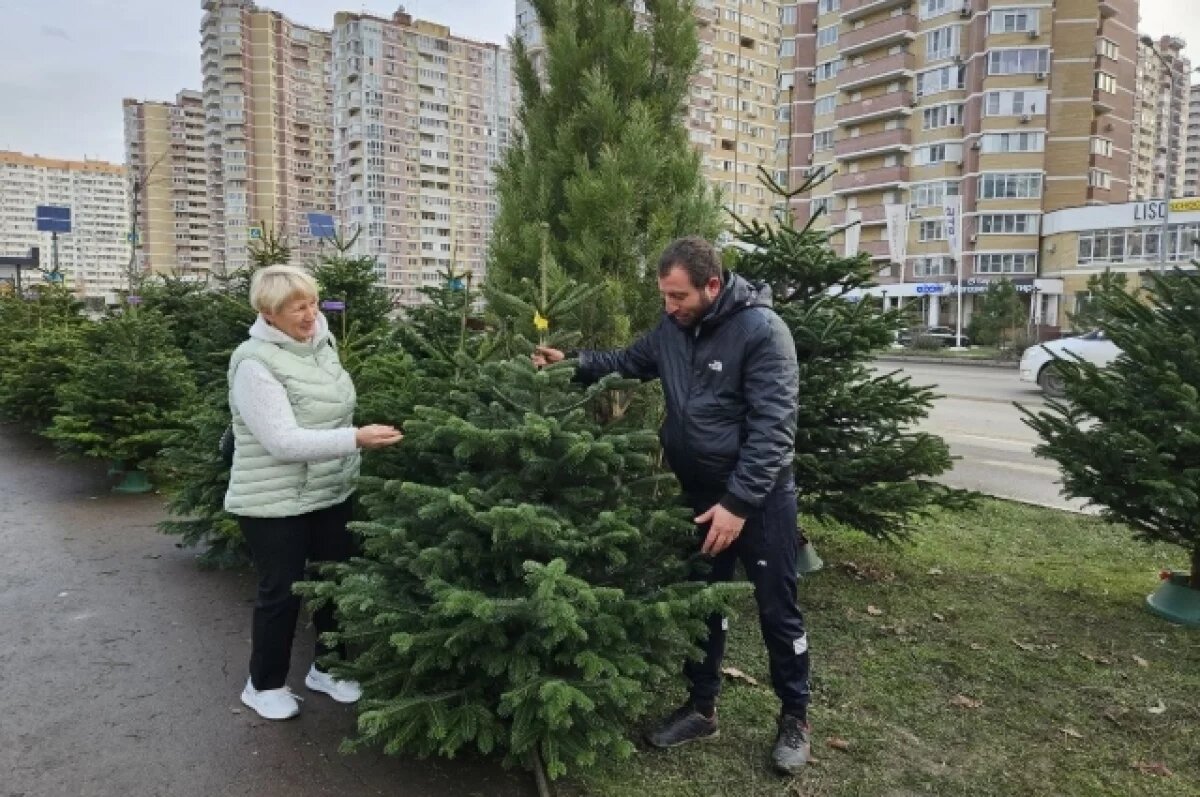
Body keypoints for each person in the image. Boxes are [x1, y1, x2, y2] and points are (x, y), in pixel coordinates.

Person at [533, 236, 811, 774]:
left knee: (777, 606)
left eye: (678, 296)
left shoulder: (763, 333)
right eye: (664, 296)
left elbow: (774, 431)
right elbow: (627, 360)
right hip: (701, 494)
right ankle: (701, 707)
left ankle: (796, 715)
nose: (669, 307)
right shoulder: (673, 329)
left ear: (712, 286)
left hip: (758, 500)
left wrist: (737, 504)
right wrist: (570, 363)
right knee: (699, 601)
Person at [225, 264, 402, 721]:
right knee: (281, 591)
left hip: (330, 489)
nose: (309, 314)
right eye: (296, 307)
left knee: (333, 582)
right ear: (269, 312)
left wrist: (349, 448)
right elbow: (282, 441)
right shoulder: (253, 362)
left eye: (312, 303)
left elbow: (335, 408)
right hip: (274, 501)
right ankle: (263, 684)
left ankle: (329, 667)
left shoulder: (322, 344)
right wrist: (356, 439)